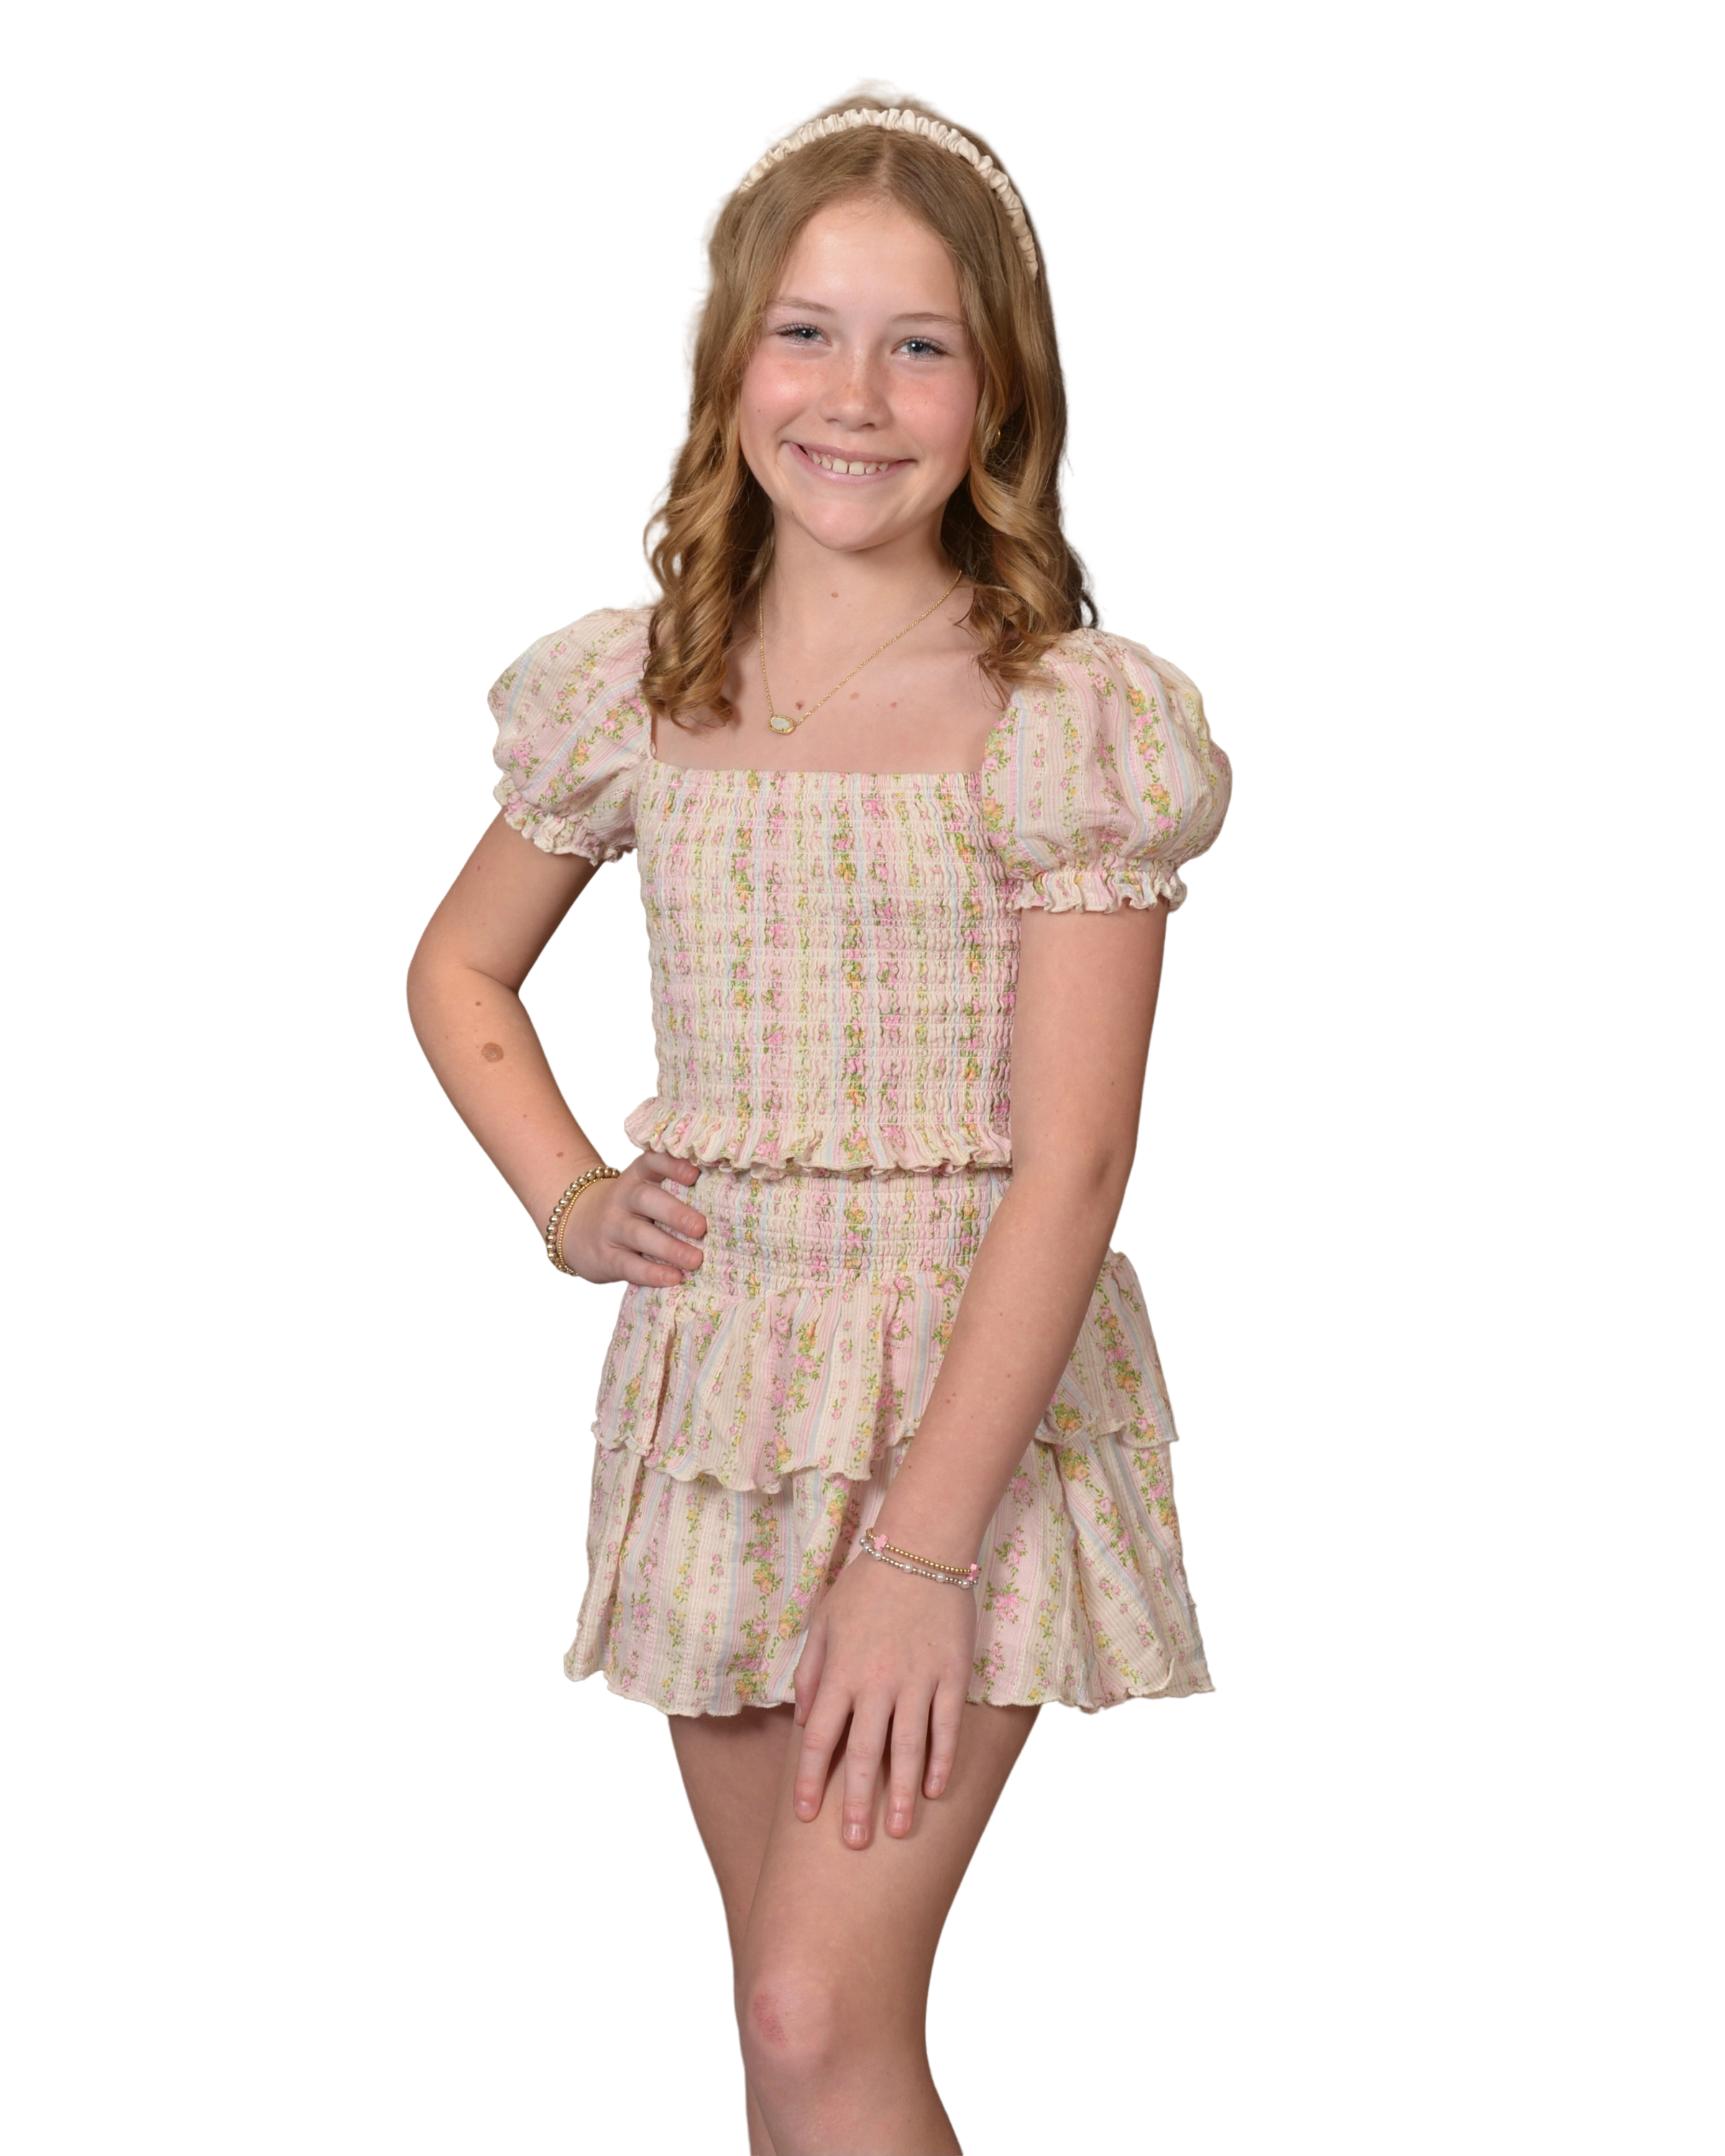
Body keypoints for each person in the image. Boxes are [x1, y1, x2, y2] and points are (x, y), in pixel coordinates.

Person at [402, 76, 1235, 2156]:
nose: (854, 397)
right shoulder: (635, 689)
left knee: (811, 2013)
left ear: (998, 393)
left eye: (919, 344)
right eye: (808, 331)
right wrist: (571, 1197)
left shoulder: (1063, 719)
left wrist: (921, 1555)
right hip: (722, 1394)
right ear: (728, 359)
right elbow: (456, 970)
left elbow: (1080, 1164)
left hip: (972, 1396)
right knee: (787, 2026)